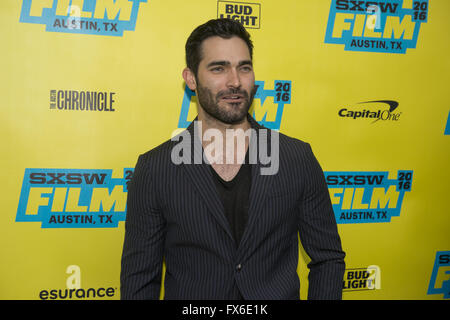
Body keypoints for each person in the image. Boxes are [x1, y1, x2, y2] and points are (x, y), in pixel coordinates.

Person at [120, 18, 345, 300]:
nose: (235, 81)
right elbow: (140, 279)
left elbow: (328, 259)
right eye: (219, 68)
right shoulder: (155, 169)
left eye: (244, 67)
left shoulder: (296, 158)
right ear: (191, 78)